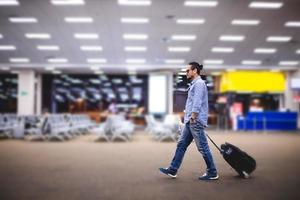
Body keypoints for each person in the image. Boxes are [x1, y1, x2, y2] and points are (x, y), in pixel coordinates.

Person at [159, 62, 219, 181]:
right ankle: (173, 169)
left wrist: (193, 115)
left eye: (188, 70)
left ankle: (212, 172)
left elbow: (197, 102)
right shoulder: (194, 84)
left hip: (194, 120)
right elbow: (194, 102)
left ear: (195, 71)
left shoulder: (199, 84)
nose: (186, 72)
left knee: (202, 147)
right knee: (181, 144)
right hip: (189, 121)